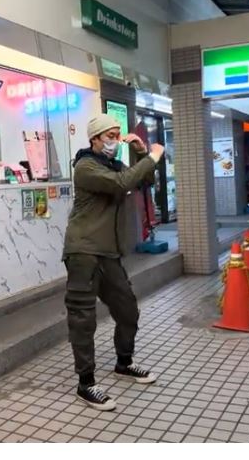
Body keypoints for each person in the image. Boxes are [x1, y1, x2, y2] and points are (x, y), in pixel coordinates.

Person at [63, 113, 165, 410]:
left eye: (118, 135)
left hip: (108, 252)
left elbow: (145, 180)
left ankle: (124, 363)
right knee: (83, 318)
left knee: (127, 309)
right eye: (110, 135)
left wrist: (142, 152)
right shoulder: (85, 167)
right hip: (83, 251)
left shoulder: (112, 165)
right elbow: (122, 184)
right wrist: (153, 156)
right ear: (94, 139)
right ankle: (86, 383)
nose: (116, 140)